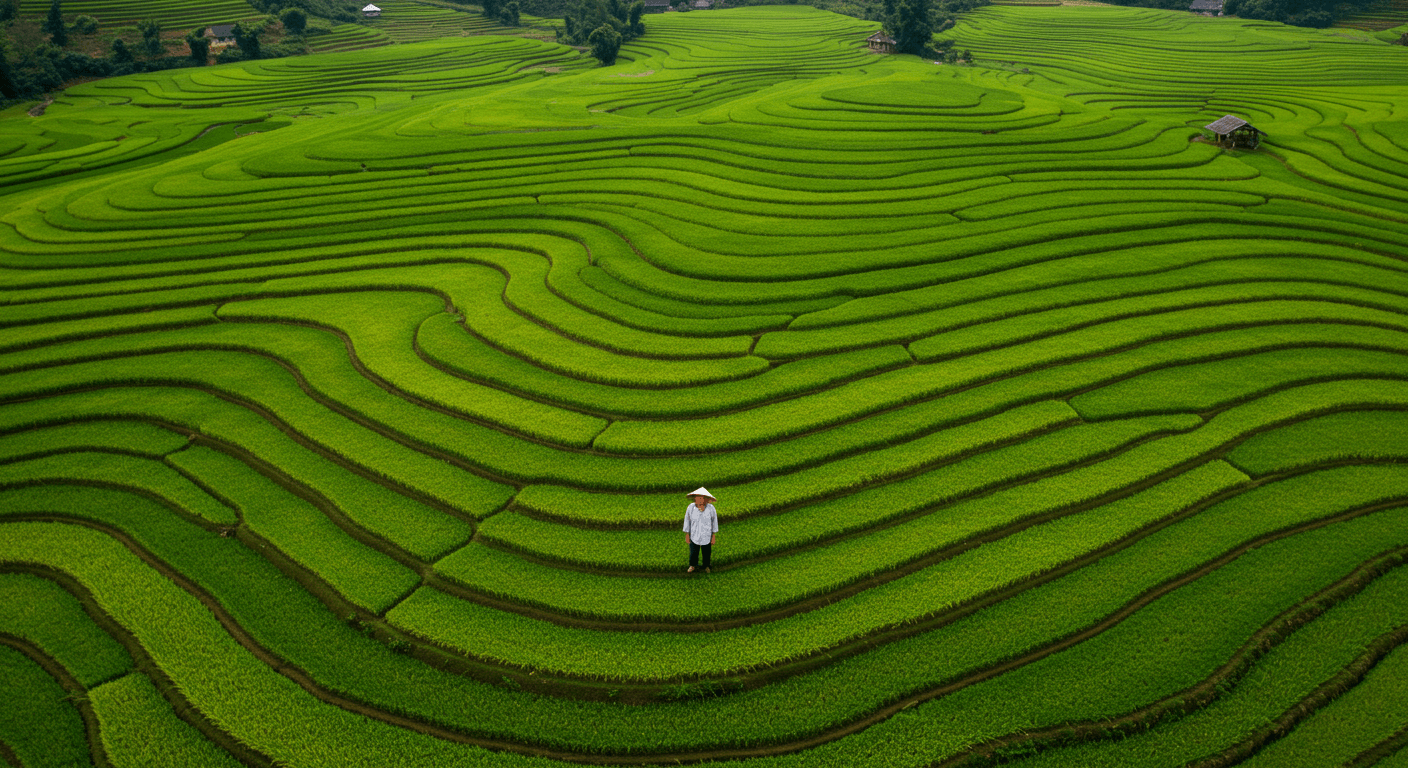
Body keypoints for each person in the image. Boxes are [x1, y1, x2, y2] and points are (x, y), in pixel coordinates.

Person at [683, 487, 718, 574]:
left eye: (701, 498)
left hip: (707, 535)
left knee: (707, 553)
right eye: (698, 497)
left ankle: (706, 566)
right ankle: (692, 565)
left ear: (706, 499)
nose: (699, 499)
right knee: (693, 552)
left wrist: (713, 536)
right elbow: (687, 521)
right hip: (694, 535)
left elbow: (714, 522)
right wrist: (687, 534)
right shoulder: (691, 508)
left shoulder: (711, 508)